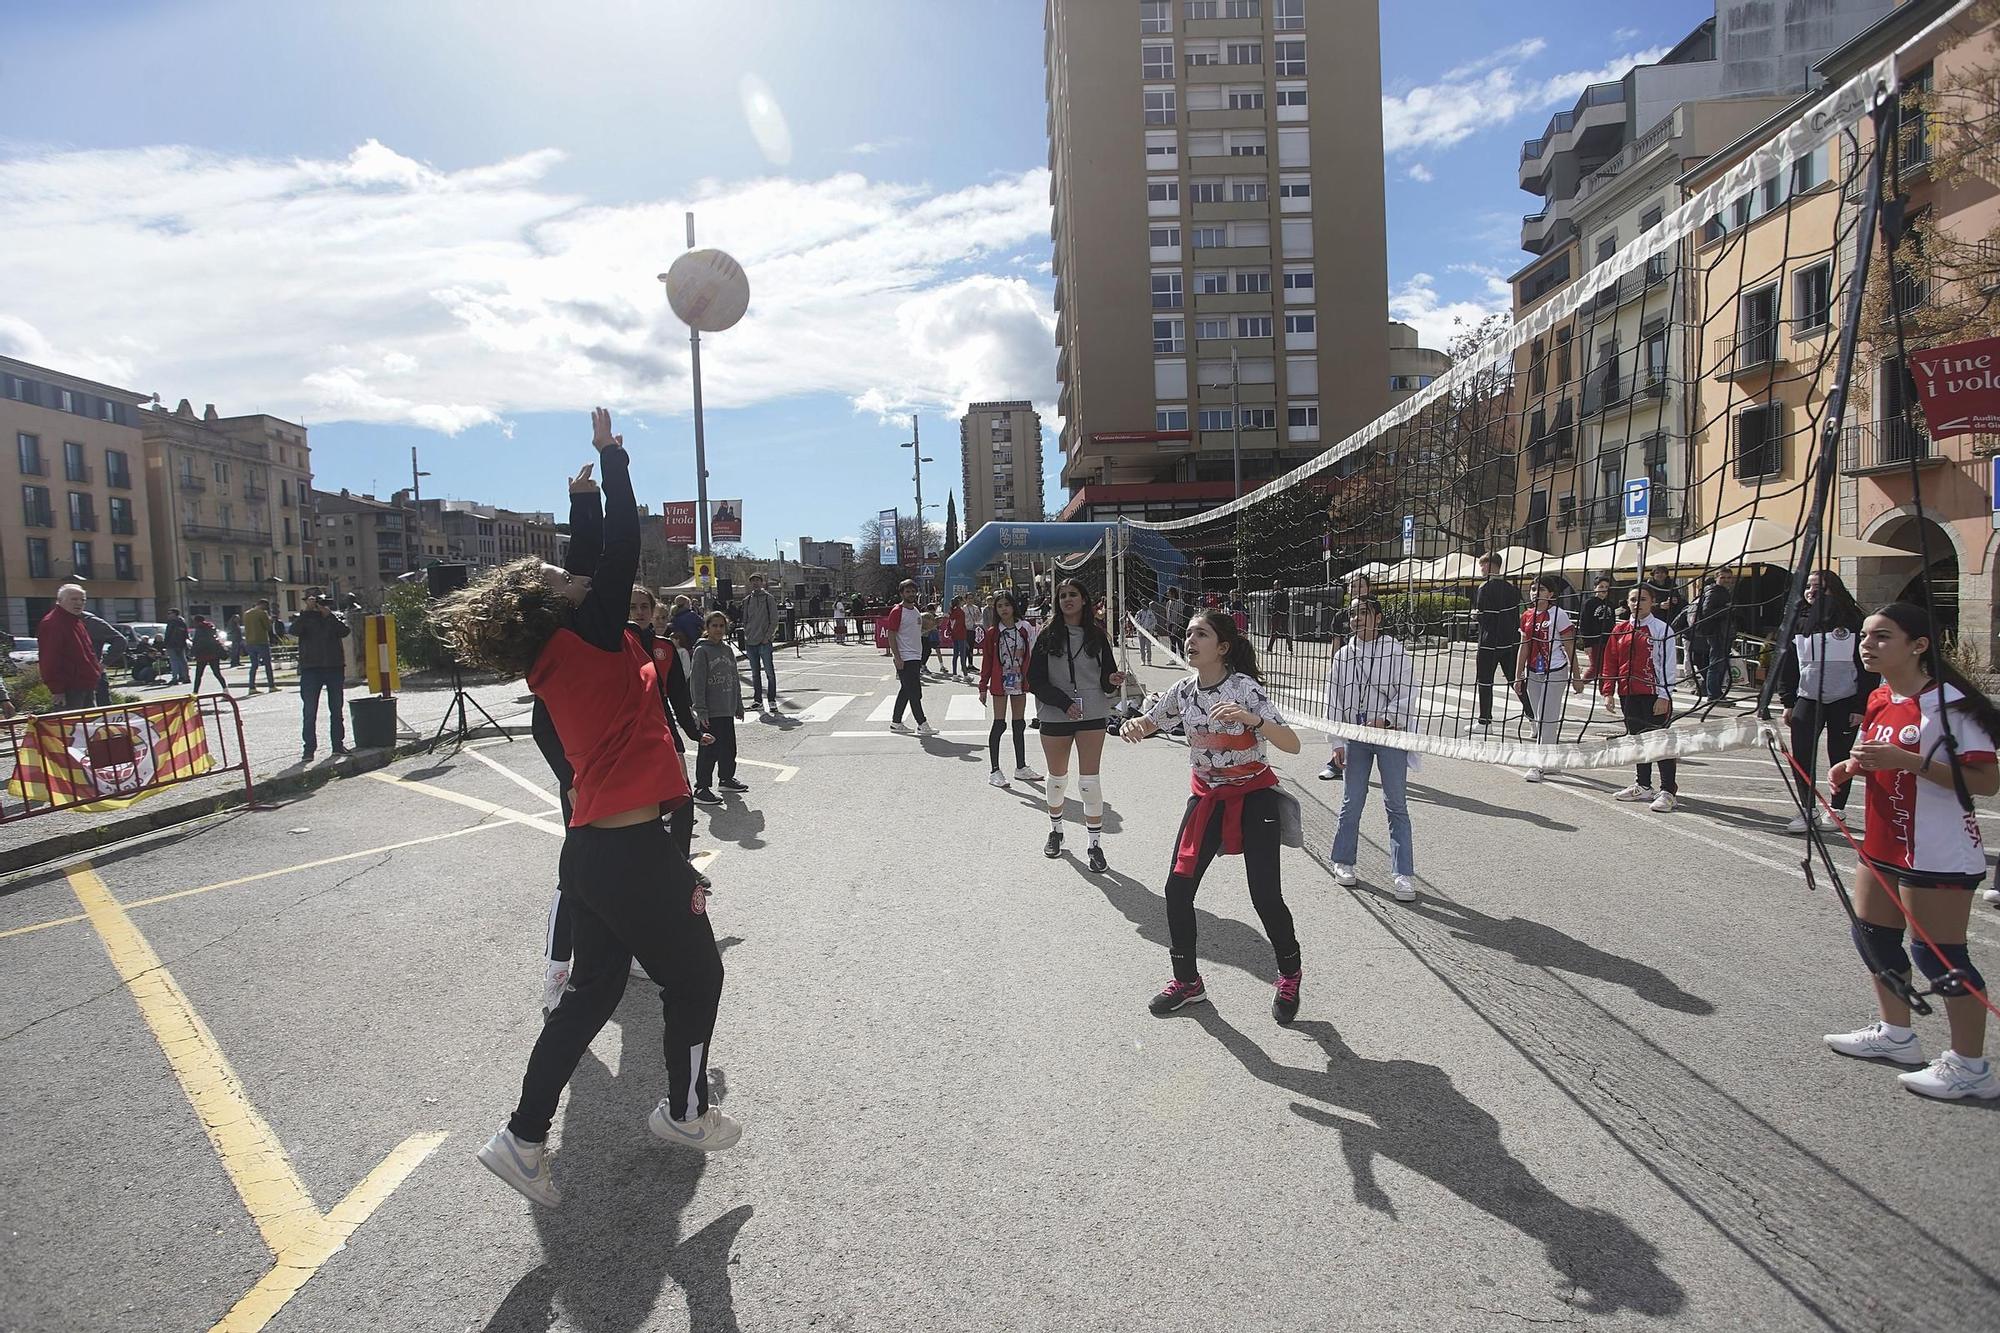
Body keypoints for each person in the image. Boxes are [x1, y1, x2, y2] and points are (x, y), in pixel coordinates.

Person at [439, 408, 737, 1209]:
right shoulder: (595, 636)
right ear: (563, 606)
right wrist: (612, 459)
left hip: (595, 852)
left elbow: (587, 569)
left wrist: (578, 503)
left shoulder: (558, 650)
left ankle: (522, 1137)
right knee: (700, 972)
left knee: (594, 995)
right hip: (631, 852)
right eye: (563, 580)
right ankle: (685, 1111)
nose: (576, 577)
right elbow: (618, 555)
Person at [1822, 601, 2000, 1100]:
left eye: (1882, 637)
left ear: (1919, 645)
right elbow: (1873, 750)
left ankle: (1971, 1067)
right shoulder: (1881, 696)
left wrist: (1909, 761)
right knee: (1873, 937)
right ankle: (1896, 1035)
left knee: (1938, 955)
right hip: (1884, 843)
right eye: (1864, 635)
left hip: (1937, 849)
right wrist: (1852, 768)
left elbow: (1987, 782)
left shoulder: (1953, 706)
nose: (1866, 644)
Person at [1122, 609, 1303, 1021]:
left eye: (1200, 634)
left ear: (1221, 647)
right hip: (1206, 799)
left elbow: (1291, 744)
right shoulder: (1183, 691)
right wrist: (1135, 726)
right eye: (1188, 634)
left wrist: (1252, 719)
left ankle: (1289, 973)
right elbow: (1150, 722)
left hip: (1255, 798)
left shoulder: (1244, 689)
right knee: (1177, 889)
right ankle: (1188, 983)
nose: (1190, 640)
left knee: (1265, 897)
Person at [1326, 597, 1418, 903]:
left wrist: (1387, 718)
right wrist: (1337, 741)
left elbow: (1407, 692)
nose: (1356, 618)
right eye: (1353, 613)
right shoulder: (1342, 656)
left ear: (1378, 618)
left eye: (1363, 612)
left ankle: (1402, 873)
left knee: (1396, 803)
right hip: (1355, 735)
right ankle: (1343, 860)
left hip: (1390, 735)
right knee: (1352, 800)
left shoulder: (1396, 651)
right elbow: (1334, 700)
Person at [1030, 577, 1126, 871]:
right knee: (1057, 780)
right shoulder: (1046, 635)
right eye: (1062, 596)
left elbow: (1106, 678)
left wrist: (1111, 681)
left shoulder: (1097, 636)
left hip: (1092, 714)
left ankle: (1094, 845)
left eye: (1073, 595)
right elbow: (1034, 681)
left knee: (1089, 782)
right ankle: (1056, 830)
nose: (1067, 599)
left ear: (1084, 600)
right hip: (1055, 713)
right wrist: (1064, 703)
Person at [1777, 570, 1875, 834]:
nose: (1812, 592)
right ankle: (1808, 810)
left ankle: (1837, 809)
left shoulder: (1854, 621)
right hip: (1807, 698)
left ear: (1834, 589)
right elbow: (1787, 666)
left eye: (1819, 587)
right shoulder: (1797, 621)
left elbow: (1867, 667)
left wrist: (1860, 706)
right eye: (1808, 587)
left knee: (1839, 756)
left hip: (1845, 700)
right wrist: (1787, 701)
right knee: (1802, 756)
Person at [1599, 584, 1678, 812]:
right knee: (1637, 740)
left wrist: (1664, 695)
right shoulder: (1620, 629)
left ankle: (1668, 790)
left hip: (1654, 694)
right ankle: (1643, 785)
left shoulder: (1662, 629)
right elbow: (1610, 661)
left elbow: (1668, 664)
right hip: (1628, 693)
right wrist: (1608, 691)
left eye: (1642, 599)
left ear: (1651, 602)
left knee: (1660, 742)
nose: (1637, 603)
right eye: (1633, 599)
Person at [1515, 574, 1583, 783]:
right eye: (1534, 589)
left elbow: (1570, 646)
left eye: (1541, 589)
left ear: (1551, 594)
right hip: (1534, 670)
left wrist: (1577, 676)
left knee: (1547, 716)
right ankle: (1551, 761)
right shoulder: (1527, 615)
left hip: (1555, 670)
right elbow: (1524, 645)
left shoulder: (1559, 615)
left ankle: (1539, 763)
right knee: (1539, 717)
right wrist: (1518, 675)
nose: (1536, 593)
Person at [979, 589, 1040, 788]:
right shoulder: (992, 632)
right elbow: (987, 660)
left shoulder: (1025, 628)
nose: (1004, 609)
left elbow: (1033, 653)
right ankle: (994, 770)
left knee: (1019, 724)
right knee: (999, 724)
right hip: (1000, 681)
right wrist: (982, 685)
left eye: (1007, 604)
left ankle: (1021, 767)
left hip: (1019, 681)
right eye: (999, 606)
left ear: (1013, 606)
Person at [1320, 574, 1375, 780]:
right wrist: (1334, 665)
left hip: (1369, 675)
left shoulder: (1373, 613)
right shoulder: (1341, 616)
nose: (1356, 588)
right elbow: (1336, 643)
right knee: (1339, 711)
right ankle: (1336, 761)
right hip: (1347, 671)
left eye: (1360, 585)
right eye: (1353, 586)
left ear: (1368, 588)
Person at [691, 609, 748, 805]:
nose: (718, 629)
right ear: (707, 628)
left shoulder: (727, 650)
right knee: (709, 751)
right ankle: (701, 787)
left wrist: (738, 704)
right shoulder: (702, 651)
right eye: (714, 626)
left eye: (721, 626)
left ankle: (726, 778)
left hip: (726, 708)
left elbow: (734, 679)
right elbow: (697, 683)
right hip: (710, 711)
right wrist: (701, 709)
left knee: (728, 748)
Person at [292, 592, 350, 762]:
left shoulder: (332, 618)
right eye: (316, 602)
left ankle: (337, 746)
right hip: (311, 669)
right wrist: (307, 612)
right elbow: (294, 630)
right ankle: (308, 750)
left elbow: (345, 631)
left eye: (322, 602)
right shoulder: (304, 617)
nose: (320, 605)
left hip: (334, 667)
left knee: (336, 709)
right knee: (309, 711)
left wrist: (329, 616)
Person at [1473, 553, 1523, 730]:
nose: (1481, 569)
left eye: (1482, 565)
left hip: (1489, 642)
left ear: (1489, 566)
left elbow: (1484, 616)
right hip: (1510, 641)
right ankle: (1534, 718)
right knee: (1514, 681)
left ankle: (1485, 722)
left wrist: (1476, 615)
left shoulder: (1484, 588)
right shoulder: (1511, 588)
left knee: (1485, 681)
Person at [881, 580, 936, 736]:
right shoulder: (897, 611)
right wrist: (897, 657)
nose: (911, 594)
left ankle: (896, 722)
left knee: (906, 690)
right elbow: (891, 634)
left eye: (913, 591)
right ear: (901, 593)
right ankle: (922, 723)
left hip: (915, 656)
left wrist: (932, 625)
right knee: (914, 692)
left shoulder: (916, 611)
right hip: (905, 657)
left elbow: (915, 632)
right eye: (907, 591)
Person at [37, 584, 102, 710]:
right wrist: (57, 689)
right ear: (60, 601)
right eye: (74, 599)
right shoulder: (52, 623)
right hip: (69, 689)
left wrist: (95, 673)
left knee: (89, 727)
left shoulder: (76, 621)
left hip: (86, 685)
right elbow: (49, 659)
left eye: (82, 600)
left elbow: (88, 652)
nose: (79, 603)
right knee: (72, 727)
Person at [1690, 568, 1737, 704]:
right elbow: (1707, 612)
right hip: (1716, 633)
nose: (1726, 580)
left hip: (1723, 632)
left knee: (1719, 663)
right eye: (1723, 577)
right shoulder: (1714, 591)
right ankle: (1713, 694)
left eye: (1728, 578)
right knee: (1716, 664)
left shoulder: (1723, 591)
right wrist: (1727, 608)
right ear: (1716, 577)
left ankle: (1716, 693)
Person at [738, 573, 780, 717]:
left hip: (764, 642)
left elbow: (774, 620)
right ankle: (758, 700)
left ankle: (772, 700)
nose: (755, 583)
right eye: (753, 581)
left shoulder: (768, 598)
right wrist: (747, 634)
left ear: (762, 583)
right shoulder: (747, 600)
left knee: (769, 673)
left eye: (757, 581)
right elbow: (745, 620)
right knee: (755, 674)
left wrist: (767, 637)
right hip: (751, 642)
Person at [1578, 574, 1619, 684]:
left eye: (1606, 587)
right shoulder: (1589, 603)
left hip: (1608, 641)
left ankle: (1604, 692)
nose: (1604, 589)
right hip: (1594, 640)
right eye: (1601, 587)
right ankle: (1580, 684)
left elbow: (1613, 623)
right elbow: (1584, 623)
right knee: (1595, 668)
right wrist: (1587, 644)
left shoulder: (1610, 604)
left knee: (1605, 668)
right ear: (1595, 588)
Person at [241, 599, 276, 695]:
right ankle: (271, 686)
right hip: (261, 641)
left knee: (254, 665)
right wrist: (270, 620)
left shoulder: (246, 614)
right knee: (267, 664)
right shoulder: (262, 613)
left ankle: (251, 687)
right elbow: (268, 627)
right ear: (263, 605)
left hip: (249, 642)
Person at [190, 614, 230, 695]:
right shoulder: (211, 627)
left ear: (197, 622)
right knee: (217, 673)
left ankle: (195, 693)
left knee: (198, 675)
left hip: (202, 655)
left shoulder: (199, 630)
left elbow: (197, 642)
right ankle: (225, 690)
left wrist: (193, 652)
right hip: (213, 654)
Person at [948, 596, 974, 680]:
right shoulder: (960, 612)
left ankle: (954, 674)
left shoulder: (953, 611)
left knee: (955, 655)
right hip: (961, 635)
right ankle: (965, 675)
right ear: (959, 602)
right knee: (962, 655)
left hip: (954, 635)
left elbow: (951, 623)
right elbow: (961, 625)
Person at [163, 607, 191, 685]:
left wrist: (167, 643)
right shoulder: (180, 622)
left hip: (174, 645)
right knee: (182, 661)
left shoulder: (175, 622)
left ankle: (175, 678)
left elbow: (172, 634)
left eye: (170, 613)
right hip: (179, 644)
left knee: (175, 661)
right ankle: (184, 677)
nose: (168, 615)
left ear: (175, 614)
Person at [1266, 580, 1292, 653]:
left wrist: (1271, 610)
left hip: (1276, 615)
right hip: (1285, 614)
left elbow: (1274, 605)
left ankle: (1269, 648)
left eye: (1275, 585)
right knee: (1286, 631)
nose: (1273, 586)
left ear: (1278, 585)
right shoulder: (1285, 593)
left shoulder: (1276, 593)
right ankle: (1290, 647)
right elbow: (1287, 605)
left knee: (1273, 632)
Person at [1133, 600, 1160, 667]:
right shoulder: (1139, 613)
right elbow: (1135, 621)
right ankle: (1143, 660)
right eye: (1142, 604)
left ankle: (1149, 660)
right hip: (1141, 632)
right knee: (1142, 647)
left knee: (1148, 647)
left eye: (1144, 604)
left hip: (1148, 632)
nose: (1143, 605)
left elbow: (1154, 622)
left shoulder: (1150, 613)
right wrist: (1139, 627)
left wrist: (1149, 628)